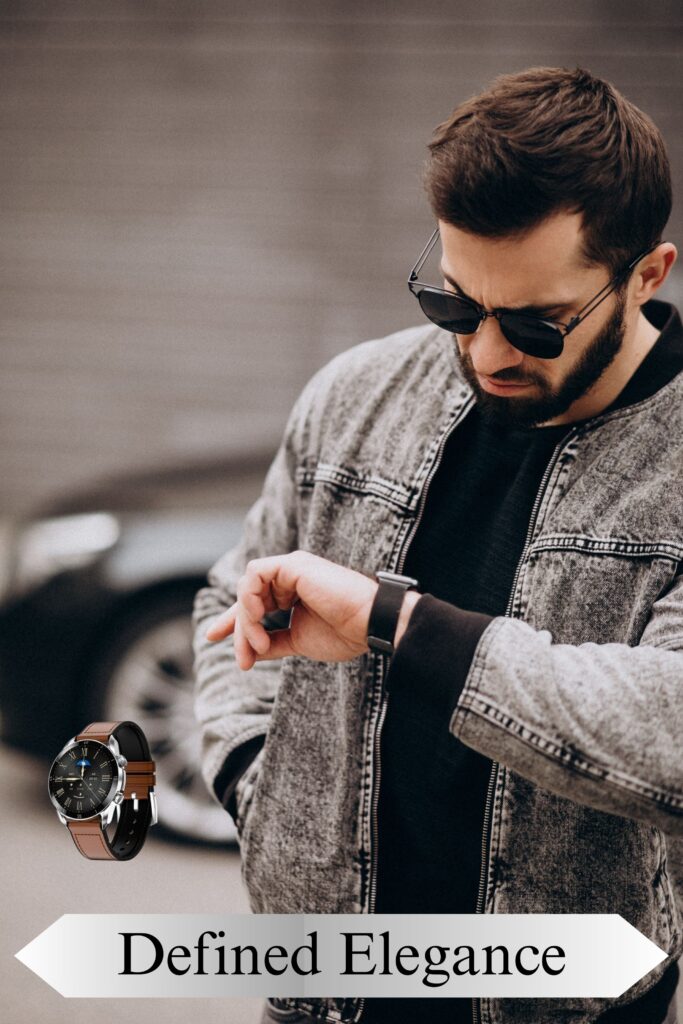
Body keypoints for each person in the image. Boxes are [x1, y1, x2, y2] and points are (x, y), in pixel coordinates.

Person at [193, 66, 683, 1024]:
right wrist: (255, 779)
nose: (486, 352)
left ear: (646, 275)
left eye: (537, 324)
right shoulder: (356, 393)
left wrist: (399, 624)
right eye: (455, 304)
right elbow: (228, 602)